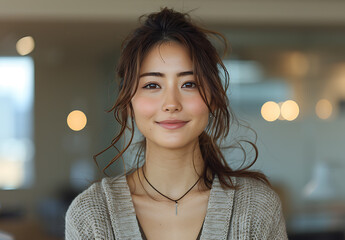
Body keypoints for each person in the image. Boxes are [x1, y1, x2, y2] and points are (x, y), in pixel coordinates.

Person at [65, 7, 288, 240]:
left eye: (189, 84)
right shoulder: (91, 215)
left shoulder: (256, 209)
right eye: (152, 85)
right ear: (128, 103)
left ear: (212, 97)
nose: (171, 103)